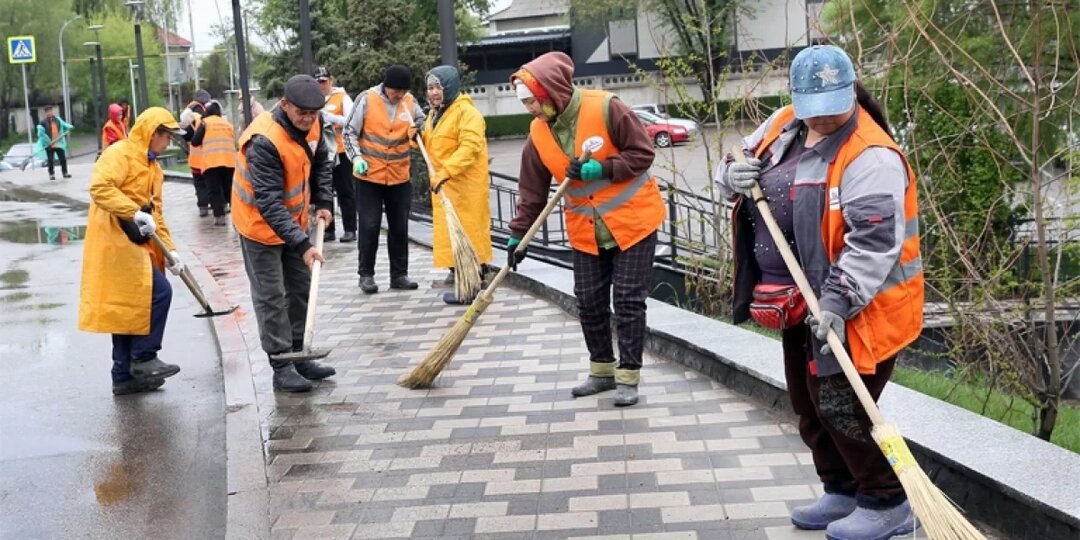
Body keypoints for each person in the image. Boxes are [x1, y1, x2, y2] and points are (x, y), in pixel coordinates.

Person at [714, 45, 923, 540]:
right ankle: (841, 489)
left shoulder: (870, 155)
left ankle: (886, 499)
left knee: (843, 404)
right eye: (814, 110)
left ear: (851, 92)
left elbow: (872, 244)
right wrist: (732, 175)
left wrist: (836, 302)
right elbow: (736, 159)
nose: (822, 119)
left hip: (859, 306)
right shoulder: (785, 123)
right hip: (795, 301)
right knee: (808, 404)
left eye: (833, 107)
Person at [506, 52, 665, 407]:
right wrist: (519, 234)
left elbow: (643, 153)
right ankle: (602, 371)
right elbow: (532, 191)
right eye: (526, 103)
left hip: (633, 221)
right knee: (589, 302)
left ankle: (628, 378)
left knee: (627, 301)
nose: (530, 109)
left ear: (552, 91)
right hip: (586, 230)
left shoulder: (607, 107)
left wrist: (605, 169)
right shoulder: (537, 132)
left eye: (533, 100)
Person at [232, 74, 337, 393]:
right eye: (301, 113)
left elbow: (321, 162)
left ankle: (299, 354)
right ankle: (281, 364)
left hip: (293, 221)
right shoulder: (264, 139)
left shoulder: (314, 124)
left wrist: (323, 200)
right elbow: (267, 200)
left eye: (313, 113)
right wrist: (304, 244)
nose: (307, 119)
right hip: (258, 226)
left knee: (302, 287)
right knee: (272, 295)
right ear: (284, 105)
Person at [78, 107, 187, 396]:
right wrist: (133, 210)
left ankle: (123, 377)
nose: (169, 144)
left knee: (128, 309)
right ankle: (144, 357)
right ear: (154, 134)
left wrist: (172, 252)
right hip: (114, 240)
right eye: (167, 138)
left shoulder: (154, 168)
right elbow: (99, 187)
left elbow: (157, 215)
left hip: (136, 242)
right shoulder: (120, 154)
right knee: (158, 292)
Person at [344, 64, 425, 294]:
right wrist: (356, 158)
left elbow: (421, 124)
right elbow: (349, 131)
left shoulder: (409, 102)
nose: (399, 95)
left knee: (399, 226)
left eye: (402, 91)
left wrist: (418, 130)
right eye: (395, 91)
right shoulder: (367, 99)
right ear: (386, 86)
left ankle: (399, 275)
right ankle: (366, 275)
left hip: (399, 175)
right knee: (369, 225)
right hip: (369, 175)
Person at [421, 65, 493, 305]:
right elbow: (435, 144)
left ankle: (472, 287)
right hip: (447, 188)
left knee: (470, 236)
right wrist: (417, 137)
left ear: (449, 87)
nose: (432, 92)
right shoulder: (437, 113)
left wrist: (447, 172)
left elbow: (469, 147)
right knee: (455, 238)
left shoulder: (467, 114)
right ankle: (464, 284)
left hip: (464, 188)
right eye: (430, 88)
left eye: (437, 87)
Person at [315, 66, 357, 244]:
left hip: (341, 151)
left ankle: (350, 229)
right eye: (317, 82)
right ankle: (328, 229)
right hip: (322, 153)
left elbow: (351, 120)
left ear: (330, 81)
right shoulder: (313, 100)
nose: (321, 85)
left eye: (323, 82)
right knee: (325, 191)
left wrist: (329, 118)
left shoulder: (342, 98)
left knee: (345, 191)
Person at [190, 100, 236, 226]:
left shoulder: (206, 123)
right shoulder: (227, 124)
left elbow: (195, 141)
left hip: (211, 163)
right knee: (230, 190)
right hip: (229, 162)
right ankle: (237, 217)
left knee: (214, 190)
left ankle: (219, 218)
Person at [180, 89, 212, 217]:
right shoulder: (198, 110)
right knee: (206, 180)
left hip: (193, 152)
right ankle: (209, 204)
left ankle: (203, 207)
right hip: (203, 152)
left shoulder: (188, 110)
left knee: (198, 181)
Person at [35, 105, 74, 180]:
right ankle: (51, 174)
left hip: (58, 143)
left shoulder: (58, 120)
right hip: (49, 144)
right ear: (45, 113)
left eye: (50, 111)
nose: (49, 113)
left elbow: (64, 125)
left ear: (52, 111)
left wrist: (70, 127)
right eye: (47, 111)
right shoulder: (43, 123)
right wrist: (47, 141)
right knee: (50, 160)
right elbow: (40, 134)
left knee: (62, 159)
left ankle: (65, 173)